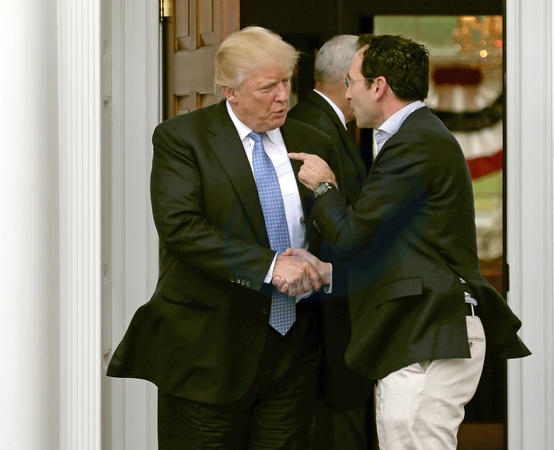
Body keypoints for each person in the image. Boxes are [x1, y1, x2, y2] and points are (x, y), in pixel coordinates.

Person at [283, 34, 531, 450]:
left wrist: (324, 186)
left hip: (426, 332)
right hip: (421, 334)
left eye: (351, 82)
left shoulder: (415, 142)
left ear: (378, 86)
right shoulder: (415, 137)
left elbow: (351, 236)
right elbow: (394, 247)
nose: (348, 95)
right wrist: (328, 273)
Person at [107, 26, 337, 450]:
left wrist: (327, 225)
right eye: (267, 87)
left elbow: (339, 229)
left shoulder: (313, 142)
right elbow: (181, 227)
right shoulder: (183, 139)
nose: (283, 96)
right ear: (230, 91)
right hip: (210, 352)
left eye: (286, 82)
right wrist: (270, 266)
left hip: (296, 350)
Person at [287, 35, 375, 450]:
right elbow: (314, 222)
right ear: (347, 79)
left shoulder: (321, 121)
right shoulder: (312, 128)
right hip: (323, 308)